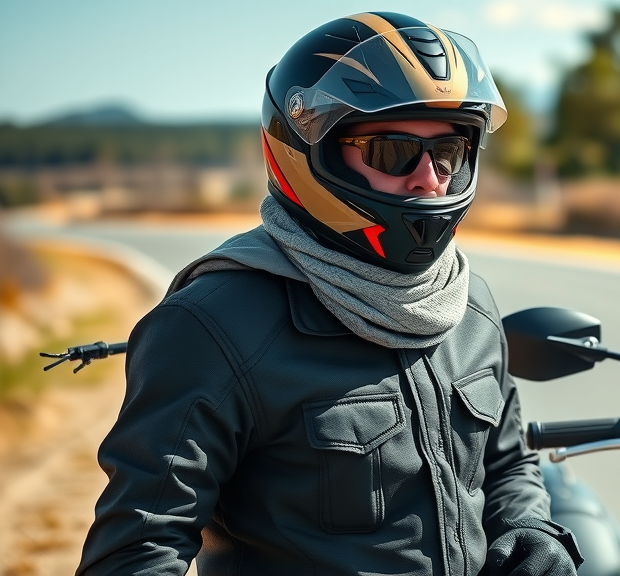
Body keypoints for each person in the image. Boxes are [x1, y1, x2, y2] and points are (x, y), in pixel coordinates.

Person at [75, 12, 583, 576]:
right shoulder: (214, 325)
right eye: (392, 152)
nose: (429, 179)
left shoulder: (467, 304)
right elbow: (137, 551)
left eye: (448, 151)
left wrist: (531, 528)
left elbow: (507, 462)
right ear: (307, 153)